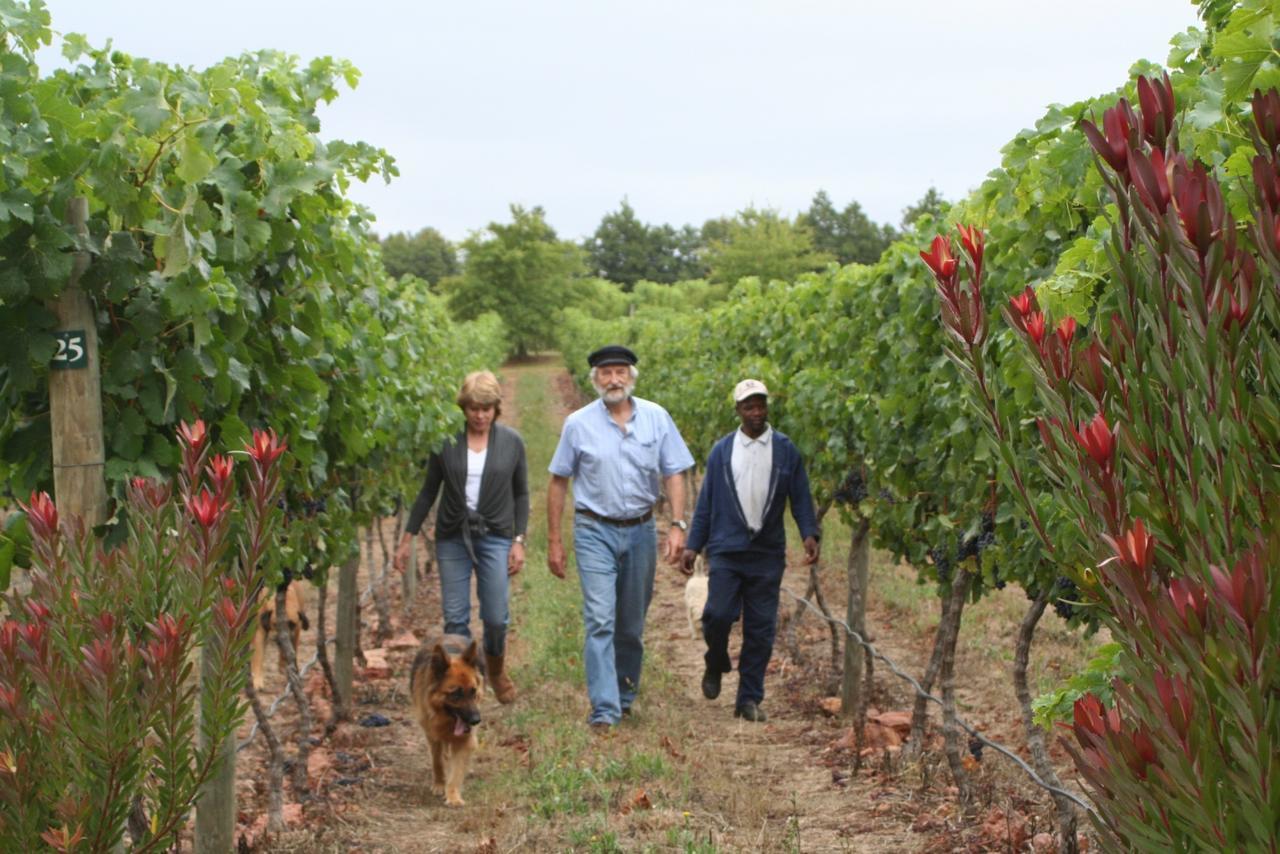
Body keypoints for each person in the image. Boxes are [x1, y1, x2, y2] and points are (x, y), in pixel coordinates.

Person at [547, 345, 694, 732]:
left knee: (630, 623)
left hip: (642, 530)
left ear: (631, 376)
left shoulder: (657, 418)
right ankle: (604, 709)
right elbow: (559, 481)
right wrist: (554, 541)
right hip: (594, 529)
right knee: (599, 619)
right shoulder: (578, 424)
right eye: (606, 373)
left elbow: (675, 472)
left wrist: (678, 524)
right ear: (594, 379)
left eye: (620, 372)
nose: (614, 380)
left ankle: (625, 695)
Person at [681, 379, 820, 722]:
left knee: (760, 628)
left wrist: (809, 533)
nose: (756, 412)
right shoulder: (722, 451)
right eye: (749, 406)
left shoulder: (786, 450)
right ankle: (716, 660)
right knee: (717, 614)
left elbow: (800, 497)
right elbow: (706, 503)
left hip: (766, 553)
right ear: (738, 411)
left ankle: (748, 699)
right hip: (727, 549)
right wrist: (692, 545)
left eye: (761, 405)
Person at [394, 370, 528, 704]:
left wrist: (518, 540)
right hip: (452, 537)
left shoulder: (512, 443)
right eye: (473, 409)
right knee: (455, 620)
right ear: (463, 408)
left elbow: (521, 494)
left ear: (496, 408)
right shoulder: (447, 442)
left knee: (496, 616)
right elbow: (428, 491)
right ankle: (462, 689)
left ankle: (494, 670)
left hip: (495, 536)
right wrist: (408, 535)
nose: (480, 415)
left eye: (486, 409)